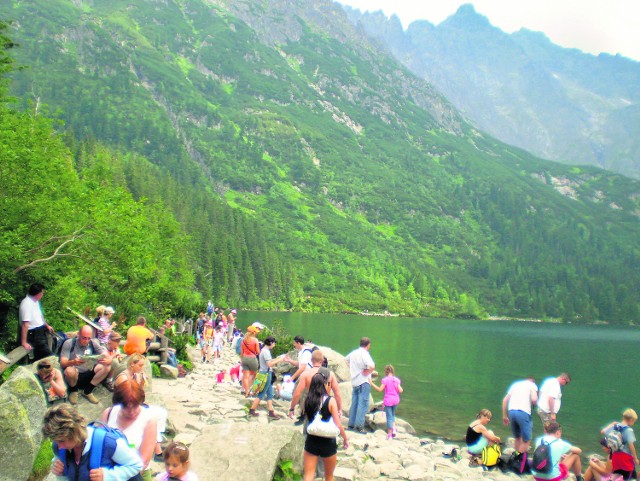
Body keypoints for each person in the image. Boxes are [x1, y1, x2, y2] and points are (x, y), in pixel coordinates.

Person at [43, 403, 143, 481]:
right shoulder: (59, 447)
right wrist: (59, 472)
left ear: (74, 432)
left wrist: (108, 476)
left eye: (61, 441)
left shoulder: (108, 443)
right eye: (55, 441)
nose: (59, 446)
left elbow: (136, 465)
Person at [102, 380, 157, 480]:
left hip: (137, 474)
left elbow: (144, 460)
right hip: (110, 471)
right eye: (126, 407)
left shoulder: (149, 420)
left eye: (135, 406)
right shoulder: (109, 413)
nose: (131, 412)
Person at [302, 373, 349, 481]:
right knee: (329, 476)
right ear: (324, 384)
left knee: (308, 475)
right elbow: (338, 424)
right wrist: (345, 439)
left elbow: (307, 417)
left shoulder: (307, 400)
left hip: (312, 439)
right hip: (328, 442)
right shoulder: (330, 400)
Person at [60, 325, 111, 404]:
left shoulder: (92, 342)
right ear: (78, 334)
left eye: (88, 338)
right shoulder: (69, 343)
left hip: (88, 372)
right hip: (74, 375)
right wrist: (73, 362)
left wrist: (109, 359)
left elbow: (106, 354)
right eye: (84, 338)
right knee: (69, 370)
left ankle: (88, 391)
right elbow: (63, 363)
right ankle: (73, 390)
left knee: (107, 366)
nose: (86, 340)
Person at [288, 350, 343, 423]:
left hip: (311, 404)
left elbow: (297, 393)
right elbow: (337, 394)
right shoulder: (330, 374)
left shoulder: (306, 374)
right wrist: (339, 410)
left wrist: (292, 408)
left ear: (311, 360)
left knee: (309, 429)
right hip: (326, 405)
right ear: (323, 360)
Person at [248, 336, 285, 418]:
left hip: (264, 373)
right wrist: (280, 360)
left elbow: (269, 361)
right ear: (271, 343)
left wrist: (277, 358)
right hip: (266, 374)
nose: (274, 345)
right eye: (274, 343)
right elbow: (269, 364)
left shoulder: (264, 351)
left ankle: (271, 411)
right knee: (262, 393)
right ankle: (252, 409)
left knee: (270, 393)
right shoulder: (266, 351)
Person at [345, 337, 375, 434]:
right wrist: (367, 371)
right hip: (363, 381)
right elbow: (372, 366)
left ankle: (351, 424)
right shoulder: (364, 354)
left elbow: (345, 360)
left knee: (354, 403)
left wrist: (352, 368)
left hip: (355, 381)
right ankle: (359, 426)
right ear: (368, 345)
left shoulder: (354, 352)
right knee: (363, 404)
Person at [502, 376, 538, 454]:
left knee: (517, 437)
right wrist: (534, 404)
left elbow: (504, 400)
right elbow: (534, 399)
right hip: (523, 413)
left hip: (511, 412)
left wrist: (504, 416)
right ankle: (518, 460)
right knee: (527, 439)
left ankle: (515, 458)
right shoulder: (532, 385)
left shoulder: (515, 385)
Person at [20, 283, 55, 361]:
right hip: (33, 334)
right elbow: (25, 324)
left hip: (40, 330)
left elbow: (39, 316)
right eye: (42, 293)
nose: (42, 295)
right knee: (48, 356)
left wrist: (47, 325)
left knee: (42, 356)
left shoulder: (35, 301)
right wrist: (24, 342)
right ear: (38, 294)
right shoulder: (27, 304)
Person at [601, 408, 639, 480]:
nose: (633, 423)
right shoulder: (628, 430)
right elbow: (631, 446)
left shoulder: (615, 426)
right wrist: (635, 458)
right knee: (630, 475)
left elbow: (603, 432)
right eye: (634, 421)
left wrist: (612, 424)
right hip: (625, 458)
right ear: (631, 420)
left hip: (615, 456)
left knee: (618, 473)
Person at [372, 364, 403, 440]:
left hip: (388, 400)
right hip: (396, 400)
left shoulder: (385, 380)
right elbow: (401, 390)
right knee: (392, 415)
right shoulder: (396, 380)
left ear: (386, 371)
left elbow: (380, 389)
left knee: (389, 416)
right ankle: (394, 429)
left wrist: (371, 383)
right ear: (393, 371)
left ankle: (389, 434)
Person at [240, 325, 261, 397]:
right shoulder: (255, 340)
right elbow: (258, 352)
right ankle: (256, 389)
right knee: (254, 375)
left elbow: (241, 352)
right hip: (252, 358)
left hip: (244, 358)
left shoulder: (243, 340)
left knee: (245, 376)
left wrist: (241, 360)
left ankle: (246, 392)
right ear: (253, 333)